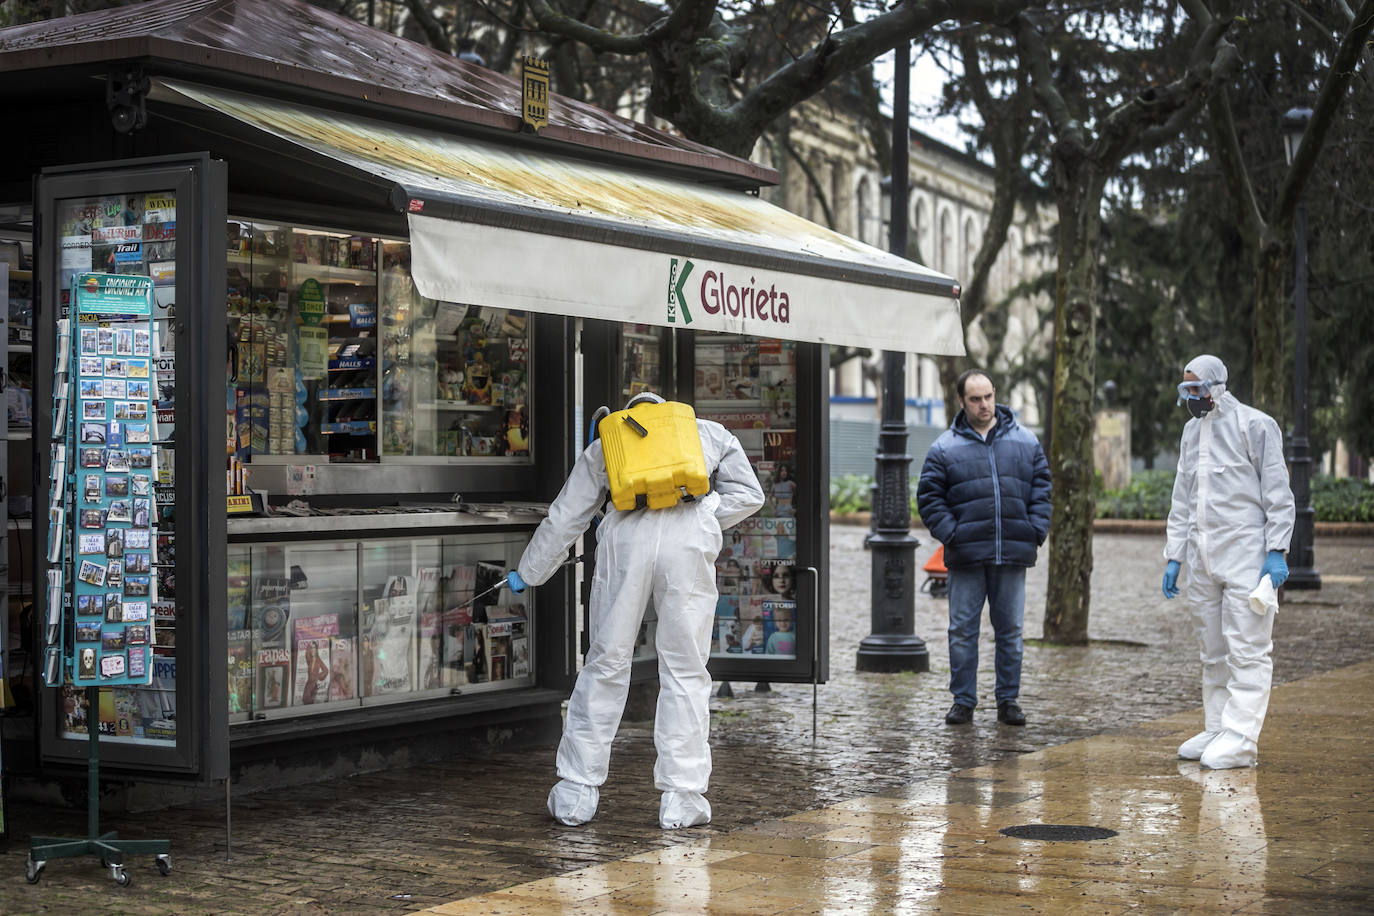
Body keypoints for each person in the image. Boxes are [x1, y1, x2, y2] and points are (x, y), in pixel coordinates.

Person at [507, 391, 763, 829]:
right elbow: (749, 493)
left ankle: (576, 792)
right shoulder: (705, 431)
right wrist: (702, 513)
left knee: (605, 660)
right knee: (685, 667)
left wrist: (529, 573)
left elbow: (565, 516)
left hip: (624, 542)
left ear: (628, 411)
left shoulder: (607, 441)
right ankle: (682, 798)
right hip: (689, 542)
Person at [1162, 355, 1294, 769]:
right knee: (1212, 649)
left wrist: (1277, 551)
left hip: (1245, 557)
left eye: (1196, 389)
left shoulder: (1256, 425)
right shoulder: (1190, 433)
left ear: (1217, 386)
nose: (1191, 398)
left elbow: (1278, 493)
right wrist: (1174, 555)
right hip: (1203, 558)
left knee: (1248, 649)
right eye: (1186, 391)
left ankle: (1241, 738)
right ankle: (1218, 725)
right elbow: (1182, 498)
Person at [916, 368, 1051, 728]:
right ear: (962, 402)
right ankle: (963, 701)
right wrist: (953, 534)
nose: (984, 405)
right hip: (966, 555)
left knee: (1011, 631)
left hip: (1012, 552)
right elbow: (929, 497)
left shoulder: (1025, 441)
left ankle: (1009, 700)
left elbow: (1042, 488)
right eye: (975, 399)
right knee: (962, 631)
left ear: (995, 395)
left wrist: (1034, 529)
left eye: (988, 396)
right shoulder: (945, 447)